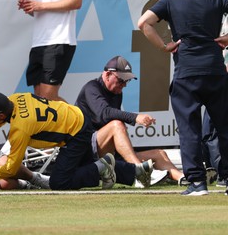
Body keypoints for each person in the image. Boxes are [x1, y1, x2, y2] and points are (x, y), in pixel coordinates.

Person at [138, 0, 228, 196]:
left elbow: (143, 23)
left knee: (189, 130)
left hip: (186, 72)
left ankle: (197, 183)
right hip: (215, 70)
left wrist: (163, 47)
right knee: (225, 127)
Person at [0, 92, 155, 190]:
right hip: (76, 118)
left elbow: (11, 169)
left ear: (1, 114)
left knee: (59, 183)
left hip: (75, 132)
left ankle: (102, 167)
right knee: (83, 167)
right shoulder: (14, 98)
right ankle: (137, 170)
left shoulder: (20, 129)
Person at [75, 56, 184, 187]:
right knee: (117, 125)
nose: (124, 85)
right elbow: (103, 114)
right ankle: (139, 172)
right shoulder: (91, 87)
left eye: (127, 81)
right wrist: (135, 117)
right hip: (85, 148)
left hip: (107, 152)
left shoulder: (116, 93)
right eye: (121, 80)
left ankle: (183, 178)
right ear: (108, 74)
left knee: (159, 153)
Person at [17, 0, 82, 101]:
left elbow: (76, 1)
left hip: (59, 39)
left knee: (46, 99)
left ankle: (81, 120)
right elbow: (37, 9)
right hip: (38, 42)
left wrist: (40, 5)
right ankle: (80, 119)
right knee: (39, 100)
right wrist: (29, 6)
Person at [201, 0, 228, 187]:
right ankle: (217, 169)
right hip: (215, 76)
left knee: (214, 127)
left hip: (219, 77)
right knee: (210, 129)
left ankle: (222, 173)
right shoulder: (214, 17)